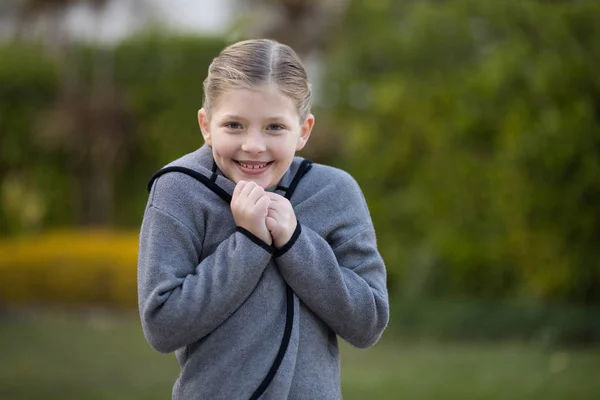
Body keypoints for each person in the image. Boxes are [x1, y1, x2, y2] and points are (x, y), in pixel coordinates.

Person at [137, 38, 389, 400]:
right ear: (206, 125)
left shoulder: (336, 193)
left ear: (303, 130)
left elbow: (369, 324)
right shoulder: (179, 190)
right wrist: (249, 243)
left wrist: (295, 242)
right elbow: (162, 325)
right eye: (234, 125)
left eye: (274, 127)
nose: (253, 145)